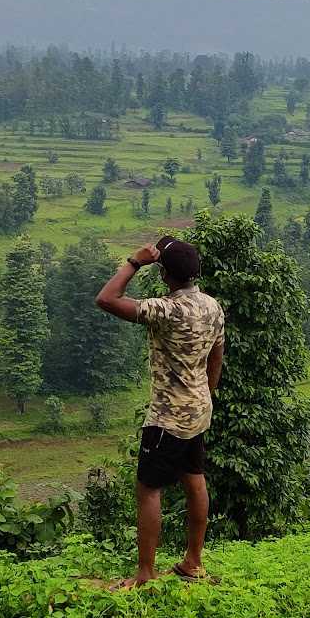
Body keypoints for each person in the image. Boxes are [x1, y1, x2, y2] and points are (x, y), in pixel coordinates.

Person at [95, 235, 225, 588]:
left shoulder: (165, 310)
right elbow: (216, 357)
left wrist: (135, 262)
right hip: (199, 410)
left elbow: (106, 299)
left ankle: (145, 573)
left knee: (149, 490)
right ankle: (192, 563)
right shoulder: (212, 306)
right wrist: (204, 396)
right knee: (194, 479)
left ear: (164, 273)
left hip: (167, 418)